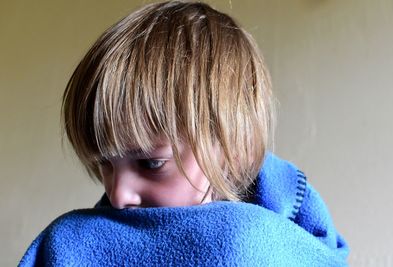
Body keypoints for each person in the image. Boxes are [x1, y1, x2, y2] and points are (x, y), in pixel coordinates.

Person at [19, 1, 349, 266]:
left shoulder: (260, 239)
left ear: (232, 150)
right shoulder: (74, 243)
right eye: (105, 164)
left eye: (150, 164)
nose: (118, 196)